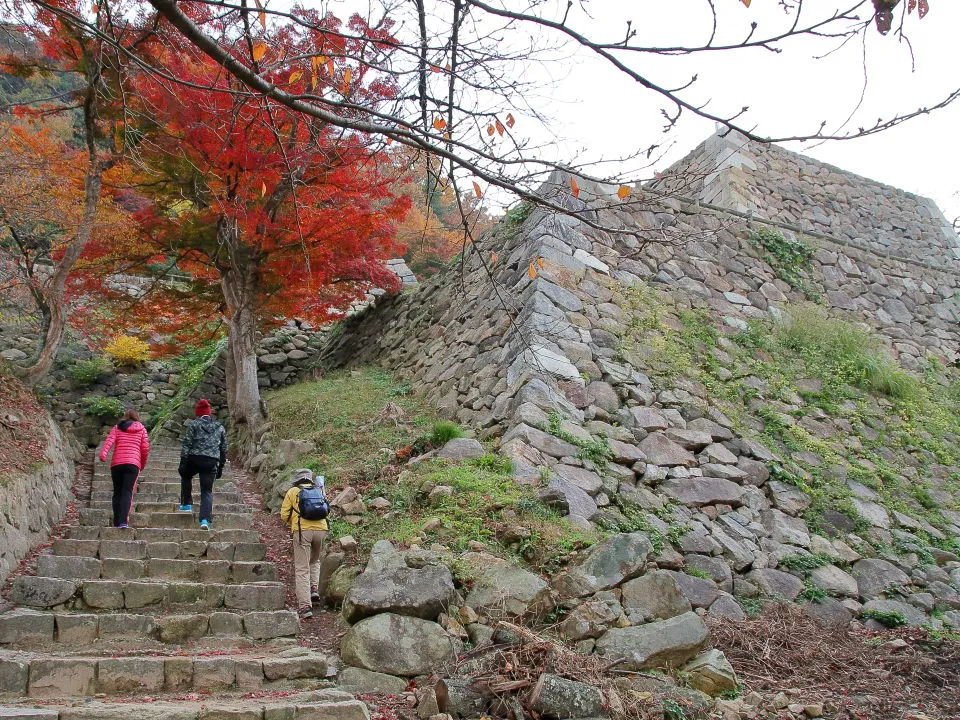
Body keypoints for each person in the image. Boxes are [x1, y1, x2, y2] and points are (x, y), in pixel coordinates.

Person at [280, 469, 329, 620]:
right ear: (310, 479)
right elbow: (327, 510)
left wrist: (293, 524)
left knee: (302, 568)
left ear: (297, 479)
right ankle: (314, 588)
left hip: (302, 531)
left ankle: (305, 606)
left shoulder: (293, 491)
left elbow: (284, 514)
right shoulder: (319, 489)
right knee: (315, 560)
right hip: (321, 530)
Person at [178, 398, 227, 530]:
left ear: (198, 413)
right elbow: (223, 448)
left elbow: (187, 443)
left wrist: (183, 461)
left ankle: (186, 503)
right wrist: (221, 466)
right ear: (209, 413)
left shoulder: (194, 424)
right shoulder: (220, 427)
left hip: (194, 458)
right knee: (207, 490)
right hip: (211, 461)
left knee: (186, 475)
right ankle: (205, 520)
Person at [98, 408, 150, 529]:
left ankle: (116, 521)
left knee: (117, 492)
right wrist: (142, 464)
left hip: (117, 464)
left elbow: (108, 442)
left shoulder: (117, 427)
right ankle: (123, 522)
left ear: (125, 416)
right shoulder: (142, 429)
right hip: (133, 464)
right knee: (127, 492)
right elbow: (145, 449)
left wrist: (103, 454)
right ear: (137, 417)